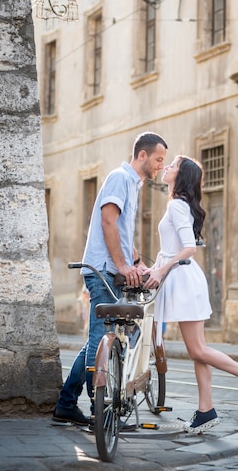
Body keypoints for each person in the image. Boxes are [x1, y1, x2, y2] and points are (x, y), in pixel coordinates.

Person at [144, 155, 238, 434]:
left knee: (198, 349)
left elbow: (189, 247)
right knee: (198, 352)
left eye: (173, 165)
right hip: (181, 278)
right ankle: (206, 410)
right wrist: (153, 269)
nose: (166, 167)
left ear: (181, 177)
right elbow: (170, 248)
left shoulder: (178, 206)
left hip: (183, 280)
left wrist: (161, 271)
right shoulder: (177, 205)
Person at [52, 131, 168, 425]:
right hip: (103, 271)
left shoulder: (131, 184)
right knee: (99, 338)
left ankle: (66, 403)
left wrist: (137, 262)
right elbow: (107, 221)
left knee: (98, 340)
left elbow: (122, 232)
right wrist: (121, 265)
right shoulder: (120, 177)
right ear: (142, 155)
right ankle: (99, 409)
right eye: (158, 159)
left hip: (110, 270)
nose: (159, 166)